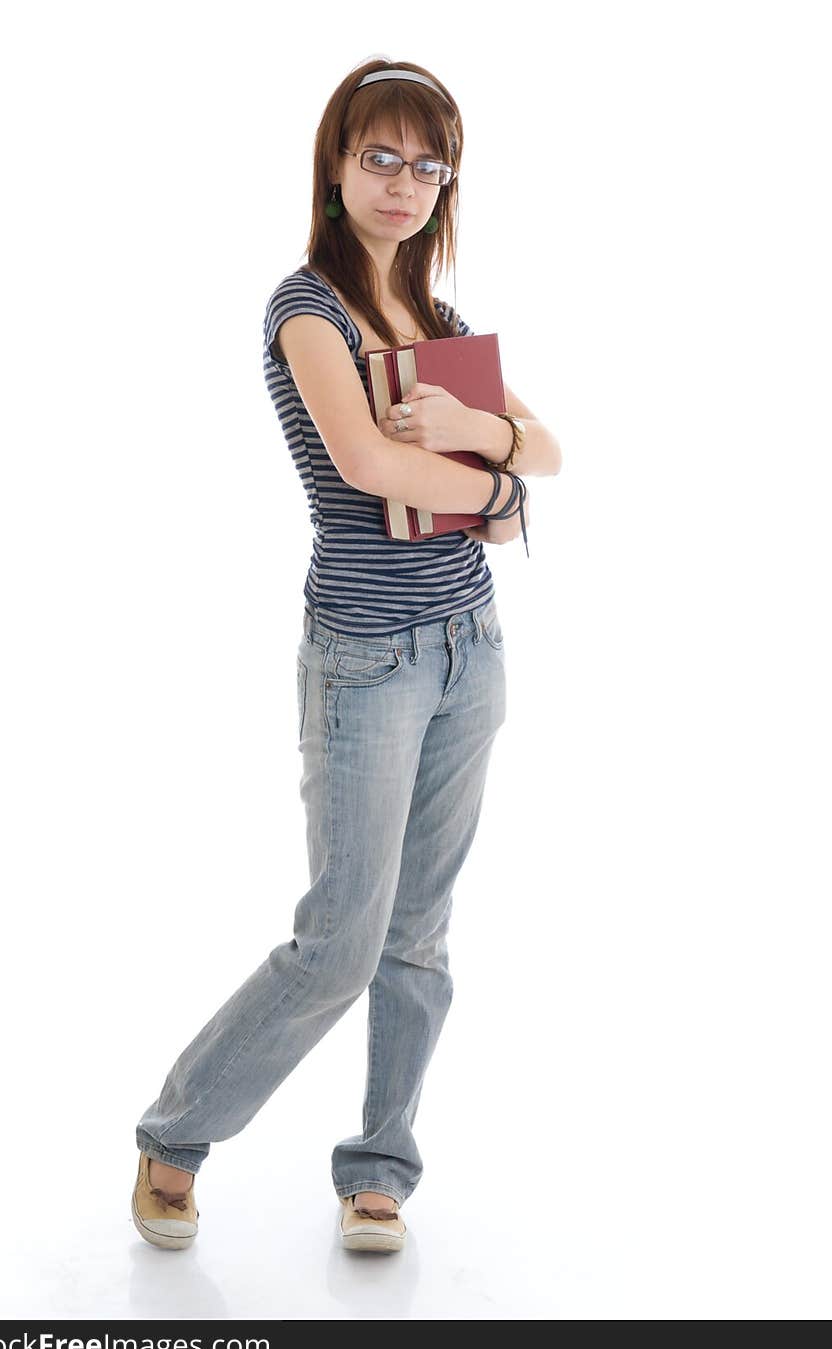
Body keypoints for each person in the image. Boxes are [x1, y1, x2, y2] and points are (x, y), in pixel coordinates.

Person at [131, 57, 562, 1256]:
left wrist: (485, 440)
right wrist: (498, 487)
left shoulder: (441, 321)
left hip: (471, 648)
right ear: (335, 164)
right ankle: (175, 1136)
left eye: (429, 165)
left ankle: (379, 1171)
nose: (405, 183)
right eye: (382, 157)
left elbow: (552, 452)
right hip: (368, 655)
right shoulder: (305, 309)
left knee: (421, 932)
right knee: (342, 940)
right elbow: (369, 472)